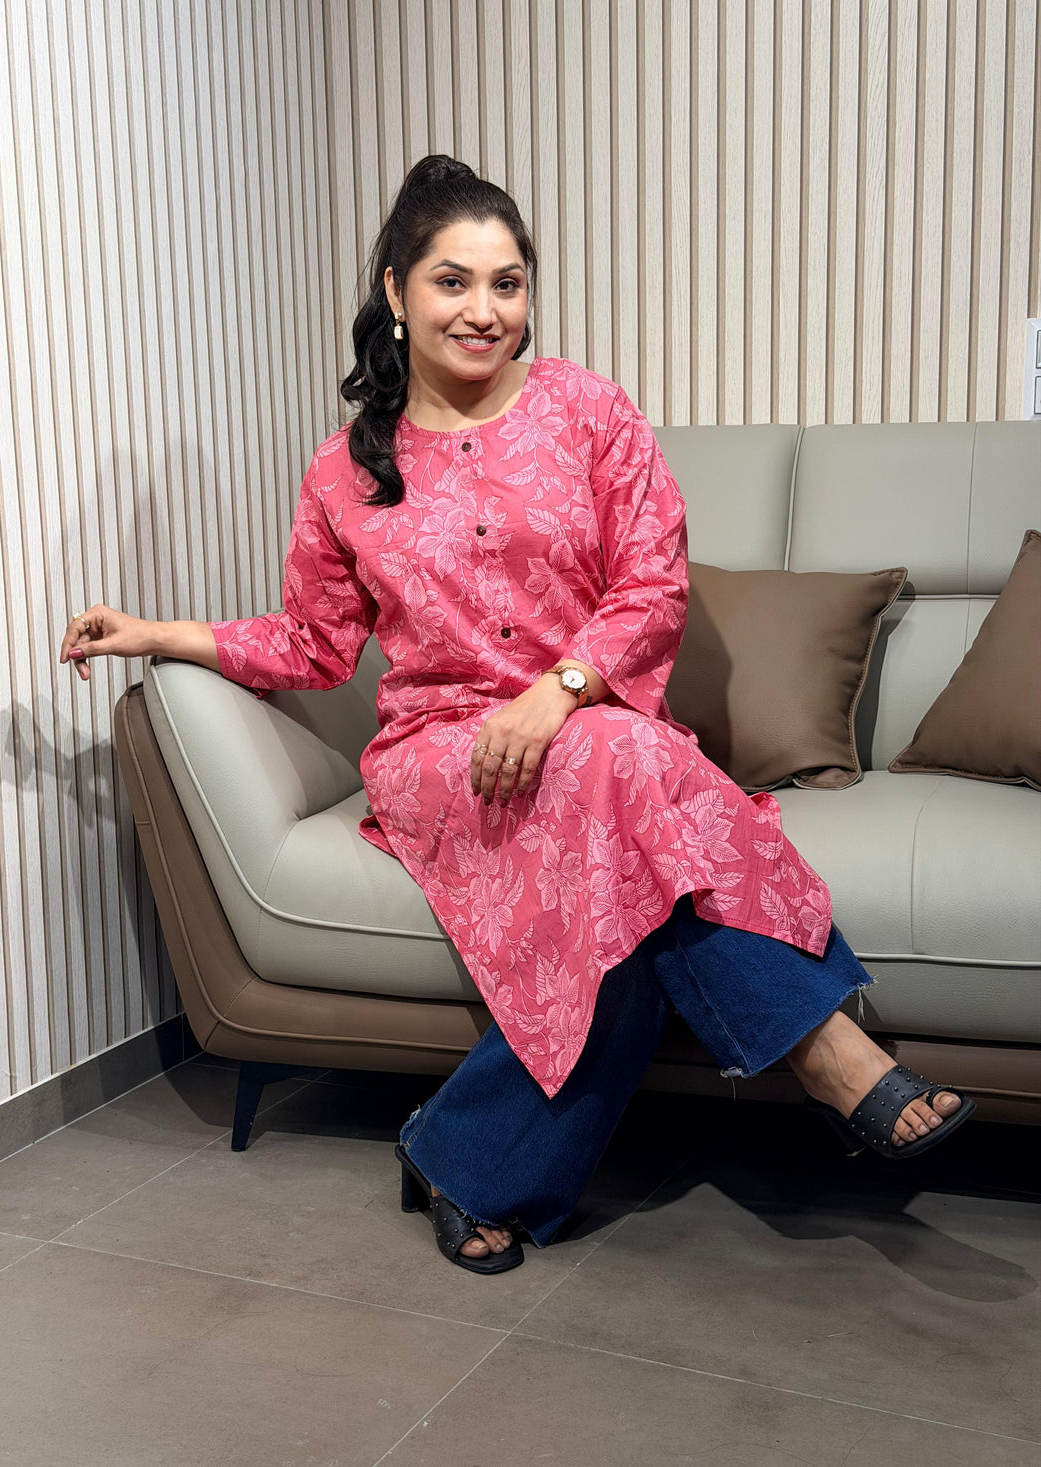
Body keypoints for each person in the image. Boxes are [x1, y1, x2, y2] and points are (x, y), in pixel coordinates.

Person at [60, 154, 973, 1276]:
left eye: (507, 283)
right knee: (625, 773)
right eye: (452, 281)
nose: (483, 311)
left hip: (585, 726)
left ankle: (465, 1157)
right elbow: (313, 644)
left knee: (617, 820)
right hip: (445, 754)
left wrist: (559, 691)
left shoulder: (586, 410)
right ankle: (828, 1051)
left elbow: (653, 584)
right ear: (396, 291)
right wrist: (158, 633)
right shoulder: (345, 471)